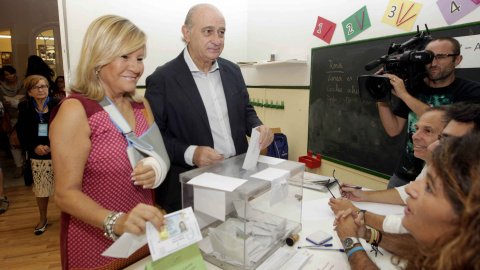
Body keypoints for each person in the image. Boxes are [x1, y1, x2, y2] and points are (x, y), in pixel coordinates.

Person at [50, 15, 167, 269]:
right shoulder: (76, 111)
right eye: (124, 56)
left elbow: (160, 157)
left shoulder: (141, 105)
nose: (136, 68)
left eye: (139, 58)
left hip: (142, 237)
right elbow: (65, 194)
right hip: (95, 242)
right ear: (98, 57)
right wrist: (116, 221)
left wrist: (155, 170)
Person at [145, 4, 274, 213]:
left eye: (221, 32)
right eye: (208, 31)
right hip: (192, 190)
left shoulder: (232, 70)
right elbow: (154, 139)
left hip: (238, 181)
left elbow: (246, 111)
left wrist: (257, 127)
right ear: (186, 33)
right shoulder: (162, 79)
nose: (217, 40)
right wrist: (191, 153)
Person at [334, 133, 480, 270]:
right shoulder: (456, 247)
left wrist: (350, 241)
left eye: (429, 187)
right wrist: (368, 234)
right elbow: (419, 247)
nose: (409, 189)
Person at [378, 37, 480, 188]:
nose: (433, 63)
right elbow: (393, 129)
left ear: (457, 60)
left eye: (441, 57)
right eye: (429, 57)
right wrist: (381, 96)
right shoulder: (414, 87)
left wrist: (405, 95)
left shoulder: (471, 91)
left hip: (446, 178)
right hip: (405, 174)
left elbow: (450, 126)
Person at [329, 106, 451, 232]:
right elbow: (405, 193)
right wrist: (363, 195)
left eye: (428, 131)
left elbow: (411, 228)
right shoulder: (433, 165)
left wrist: (356, 212)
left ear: (451, 138)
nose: (415, 136)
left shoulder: (452, 177)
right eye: (417, 129)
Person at [16, 75, 60, 234]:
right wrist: (34, 146)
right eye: (36, 87)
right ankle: (43, 218)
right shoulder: (25, 107)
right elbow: (21, 131)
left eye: (43, 86)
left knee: (64, 188)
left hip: (59, 153)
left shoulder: (58, 105)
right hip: (37, 154)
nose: (41, 90)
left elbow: (66, 128)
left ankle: (68, 220)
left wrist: (52, 145)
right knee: (42, 189)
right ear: (29, 91)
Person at [0, 65, 27, 178]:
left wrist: (20, 102)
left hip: (24, 117)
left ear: (15, 73)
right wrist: (4, 104)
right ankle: (18, 166)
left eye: (10, 74)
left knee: (26, 141)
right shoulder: (1, 88)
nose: (9, 76)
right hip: (10, 118)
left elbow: (28, 100)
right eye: (6, 75)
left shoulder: (24, 85)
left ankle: (27, 164)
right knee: (13, 142)